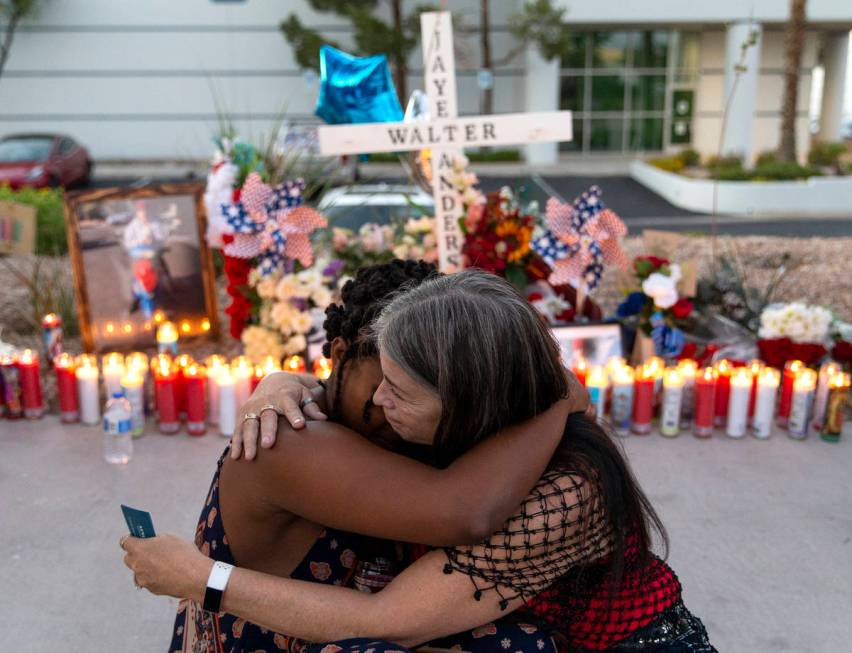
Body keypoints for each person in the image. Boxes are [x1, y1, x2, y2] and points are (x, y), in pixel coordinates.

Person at [123, 268, 716, 652]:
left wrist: (560, 390)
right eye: (380, 380)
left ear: (467, 397)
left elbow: (450, 530)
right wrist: (280, 379)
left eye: (399, 389)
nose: (382, 403)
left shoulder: (550, 483)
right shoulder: (305, 435)